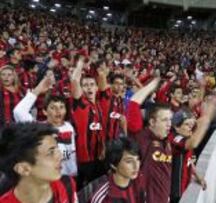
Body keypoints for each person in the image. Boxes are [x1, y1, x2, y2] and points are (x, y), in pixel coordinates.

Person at [13, 73, 77, 177]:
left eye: (61, 107)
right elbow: (18, 112)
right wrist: (37, 90)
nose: (58, 111)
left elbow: (72, 154)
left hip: (69, 177)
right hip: (47, 177)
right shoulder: (39, 129)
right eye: (53, 107)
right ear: (45, 112)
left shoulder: (69, 127)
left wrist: (73, 172)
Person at [0, 122, 77, 203]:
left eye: (57, 149)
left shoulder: (67, 184)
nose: (61, 156)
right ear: (23, 169)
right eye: (51, 152)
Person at [126, 77, 173, 203]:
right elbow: (134, 103)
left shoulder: (167, 140)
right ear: (152, 122)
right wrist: (150, 86)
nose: (169, 124)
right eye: (164, 120)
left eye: (170, 120)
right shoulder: (141, 137)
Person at [169, 97, 216, 203]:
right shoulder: (173, 138)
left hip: (183, 187)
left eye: (192, 125)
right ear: (176, 127)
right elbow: (194, 144)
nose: (191, 128)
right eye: (187, 125)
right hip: (173, 191)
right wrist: (206, 119)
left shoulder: (186, 138)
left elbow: (189, 161)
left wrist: (198, 177)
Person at [71, 58, 107, 188]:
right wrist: (80, 64)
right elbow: (75, 80)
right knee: (80, 190)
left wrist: (103, 147)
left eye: (92, 84)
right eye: (85, 85)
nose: (89, 87)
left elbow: (100, 130)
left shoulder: (99, 105)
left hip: (99, 156)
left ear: (96, 88)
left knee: (96, 190)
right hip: (83, 159)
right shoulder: (80, 104)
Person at [87, 137, 145, 203]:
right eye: (129, 161)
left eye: (137, 159)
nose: (136, 166)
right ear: (113, 165)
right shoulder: (103, 198)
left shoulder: (140, 182)